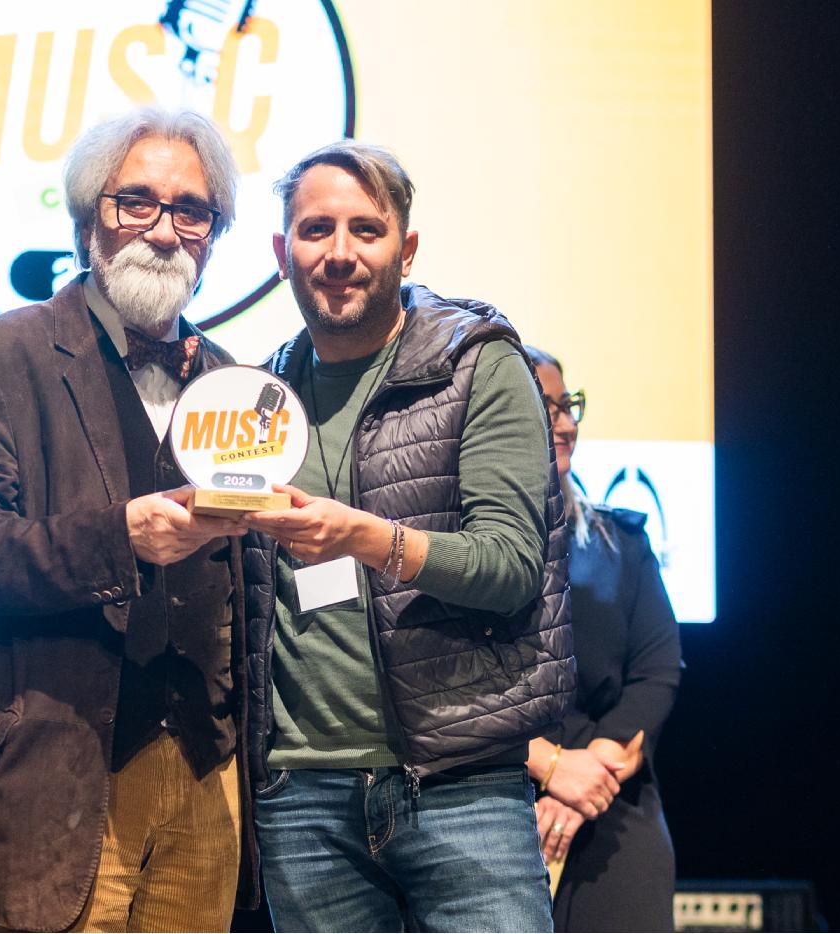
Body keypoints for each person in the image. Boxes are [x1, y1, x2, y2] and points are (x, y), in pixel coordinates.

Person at [0, 107, 256, 933]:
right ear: (86, 219)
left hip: (206, 778)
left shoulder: (234, 383)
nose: (164, 230)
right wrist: (120, 539)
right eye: (136, 201)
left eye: (191, 211)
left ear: (213, 238)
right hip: (53, 777)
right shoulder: (1, 357)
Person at [238, 140, 576, 932]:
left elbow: (511, 566)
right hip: (301, 792)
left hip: (461, 782)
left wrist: (367, 538)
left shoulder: (477, 364)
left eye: (366, 229)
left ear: (407, 248)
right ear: (282, 253)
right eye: (316, 230)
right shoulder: (257, 395)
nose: (340, 253)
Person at [523, 346, 682, 932]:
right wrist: (549, 767)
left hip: (609, 794)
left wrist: (584, 778)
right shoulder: (452, 546)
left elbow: (657, 673)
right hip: (492, 790)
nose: (566, 424)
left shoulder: (621, 542)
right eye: (548, 409)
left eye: (569, 407)